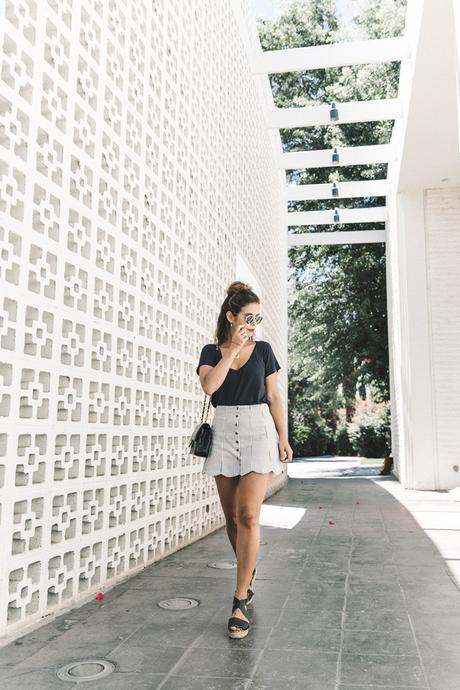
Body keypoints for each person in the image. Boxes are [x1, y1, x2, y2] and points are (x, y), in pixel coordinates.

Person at [195, 281, 293, 639]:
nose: (252, 324)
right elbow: (210, 387)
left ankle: (239, 598)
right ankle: (246, 573)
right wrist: (231, 349)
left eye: (257, 318)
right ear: (231, 316)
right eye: (247, 318)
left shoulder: (264, 350)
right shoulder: (210, 351)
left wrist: (283, 437)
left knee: (250, 514)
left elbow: (273, 396)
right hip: (223, 431)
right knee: (233, 519)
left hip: (257, 430)